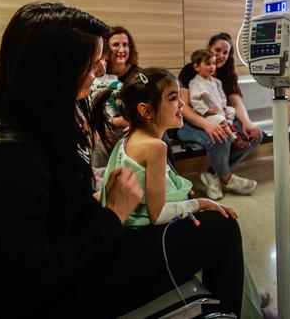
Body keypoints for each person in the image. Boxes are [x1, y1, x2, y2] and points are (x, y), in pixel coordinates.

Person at [0, 2, 244, 317]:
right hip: (61, 294)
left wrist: (99, 200)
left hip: (76, 246)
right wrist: (112, 214)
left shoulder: (12, 116)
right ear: (57, 70)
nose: (101, 71)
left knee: (202, 223)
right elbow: (29, 285)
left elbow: (50, 211)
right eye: (93, 64)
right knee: (220, 227)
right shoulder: (5, 158)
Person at [97, 66, 274, 319]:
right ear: (146, 111)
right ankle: (248, 310)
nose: (182, 103)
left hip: (131, 234)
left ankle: (252, 302)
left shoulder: (128, 138)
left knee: (225, 242)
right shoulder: (155, 147)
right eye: (173, 98)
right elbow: (157, 214)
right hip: (148, 236)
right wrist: (200, 203)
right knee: (224, 225)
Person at [177, 32, 263, 200]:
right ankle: (227, 178)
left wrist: (247, 123)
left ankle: (213, 174)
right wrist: (207, 125)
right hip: (191, 122)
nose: (221, 56)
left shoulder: (225, 74)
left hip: (221, 117)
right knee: (220, 136)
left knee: (255, 135)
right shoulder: (191, 71)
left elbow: (236, 103)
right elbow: (184, 107)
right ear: (209, 48)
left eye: (226, 53)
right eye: (218, 50)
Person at [89, 26, 141, 167]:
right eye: (116, 45)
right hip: (106, 121)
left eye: (125, 45)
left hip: (133, 120)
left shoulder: (137, 75)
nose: (122, 50)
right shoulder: (95, 76)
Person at [188, 49, 239, 144]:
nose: (212, 67)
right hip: (209, 114)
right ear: (196, 67)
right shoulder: (195, 83)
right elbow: (195, 100)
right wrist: (205, 110)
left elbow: (222, 95)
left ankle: (229, 125)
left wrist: (224, 106)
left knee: (231, 110)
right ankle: (233, 138)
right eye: (208, 64)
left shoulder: (216, 82)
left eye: (214, 63)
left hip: (220, 109)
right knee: (219, 119)